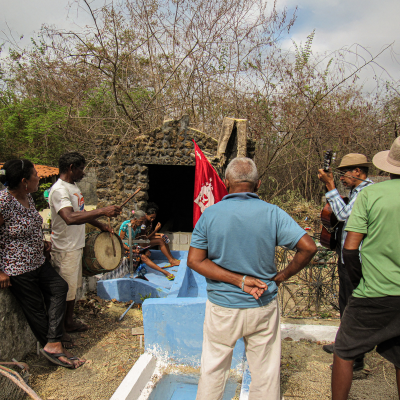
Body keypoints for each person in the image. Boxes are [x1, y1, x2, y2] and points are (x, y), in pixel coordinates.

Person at [187, 157, 317, 400]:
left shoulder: (210, 215)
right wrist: (280, 277)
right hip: (262, 305)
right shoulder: (273, 213)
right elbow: (308, 247)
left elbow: (195, 260)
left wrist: (237, 280)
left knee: (213, 370)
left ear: (226, 183)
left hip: (222, 308)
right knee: (265, 375)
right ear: (258, 184)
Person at [331, 137, 400, 399]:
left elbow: (350, 248)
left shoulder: (371, 194)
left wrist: (360, 280)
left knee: (344, 349)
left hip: (375, 291)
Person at [0, 159, 84, 369]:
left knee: (59, 287)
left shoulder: (27, 196)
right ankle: (52, 347)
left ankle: (54, 342)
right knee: (36, 308)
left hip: (37, 260)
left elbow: (29, 226)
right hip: (18, 267)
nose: (39, 177)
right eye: (35, 174)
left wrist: (42, 242)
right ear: (23, 181)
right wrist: (0, 271)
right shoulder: (3, 202)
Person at [49, 152, 122, 335]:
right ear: (71, 168)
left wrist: (101, 224)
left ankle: (69, 322)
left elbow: (80, 212)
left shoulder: (72, 187)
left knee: (72, 288)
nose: (83, 173)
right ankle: (60, 331)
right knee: (65, 290)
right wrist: (103, 210)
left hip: (75, 246)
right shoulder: (59, 190)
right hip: (65, 248)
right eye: (81, 168)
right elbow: (70, 217)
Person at [318, 153, 373, 370]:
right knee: (345, 303)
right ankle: (344, 344)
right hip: (346, 257)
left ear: (358, 172)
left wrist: (330, 184)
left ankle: (355, 358)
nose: (341, 178)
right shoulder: (355, 191)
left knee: (353, 304)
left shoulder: (366, 192)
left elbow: (343, 216)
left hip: (356, 259)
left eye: (344, 174)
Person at [119, 210, 175, 280]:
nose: (142, 223)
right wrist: (132, 250)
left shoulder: (138, 227)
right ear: (136, 219)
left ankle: (139, 268)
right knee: (143, 257)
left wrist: (140, 248)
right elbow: (120, 241)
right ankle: (164, 272)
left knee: (148, 253)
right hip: (125, 249)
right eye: (141, 221)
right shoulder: (125, 225)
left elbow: (139, 238)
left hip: (134, 246)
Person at [140, 202, 180, 267]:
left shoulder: (150, 222)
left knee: (163, 239)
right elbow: (146, 238)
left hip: (146, 240)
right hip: (141, 242)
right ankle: (171, 260)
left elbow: (151, 234)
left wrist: (160, 234)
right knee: (160, 241)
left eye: (154, 218)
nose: (152, 219)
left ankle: (172, 258)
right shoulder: (143, 223)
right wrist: (156, 230)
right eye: (151, 217)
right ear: (146, 214)